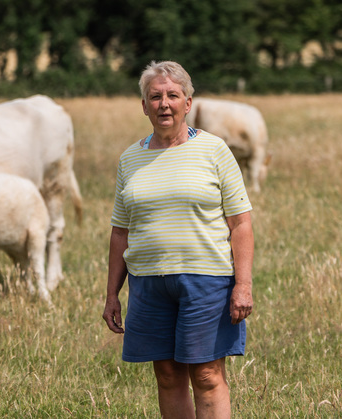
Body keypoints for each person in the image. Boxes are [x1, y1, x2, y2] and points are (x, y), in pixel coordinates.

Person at [102, 60, 254, 418]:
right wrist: (112, 294)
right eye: (155, 97)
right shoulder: (130, 159)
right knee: (168, 374)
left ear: (188, 103)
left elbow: (241, 223)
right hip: (148, 283)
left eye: (173, 95)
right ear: (144, 106)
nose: (164, 104)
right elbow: (120, 231)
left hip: (207, 281)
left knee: (206, 375)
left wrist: (243, 285)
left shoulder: (215, 150)